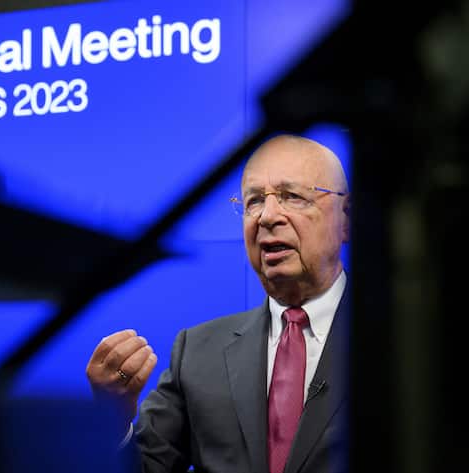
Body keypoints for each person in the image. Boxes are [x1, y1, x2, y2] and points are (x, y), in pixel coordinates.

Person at [86, 134, 351, 473]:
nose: (267, 216)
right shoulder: (196, 352)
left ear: (345, 218)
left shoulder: (405, 337)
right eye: (253, 201)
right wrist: (113, 418)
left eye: (292, 197)